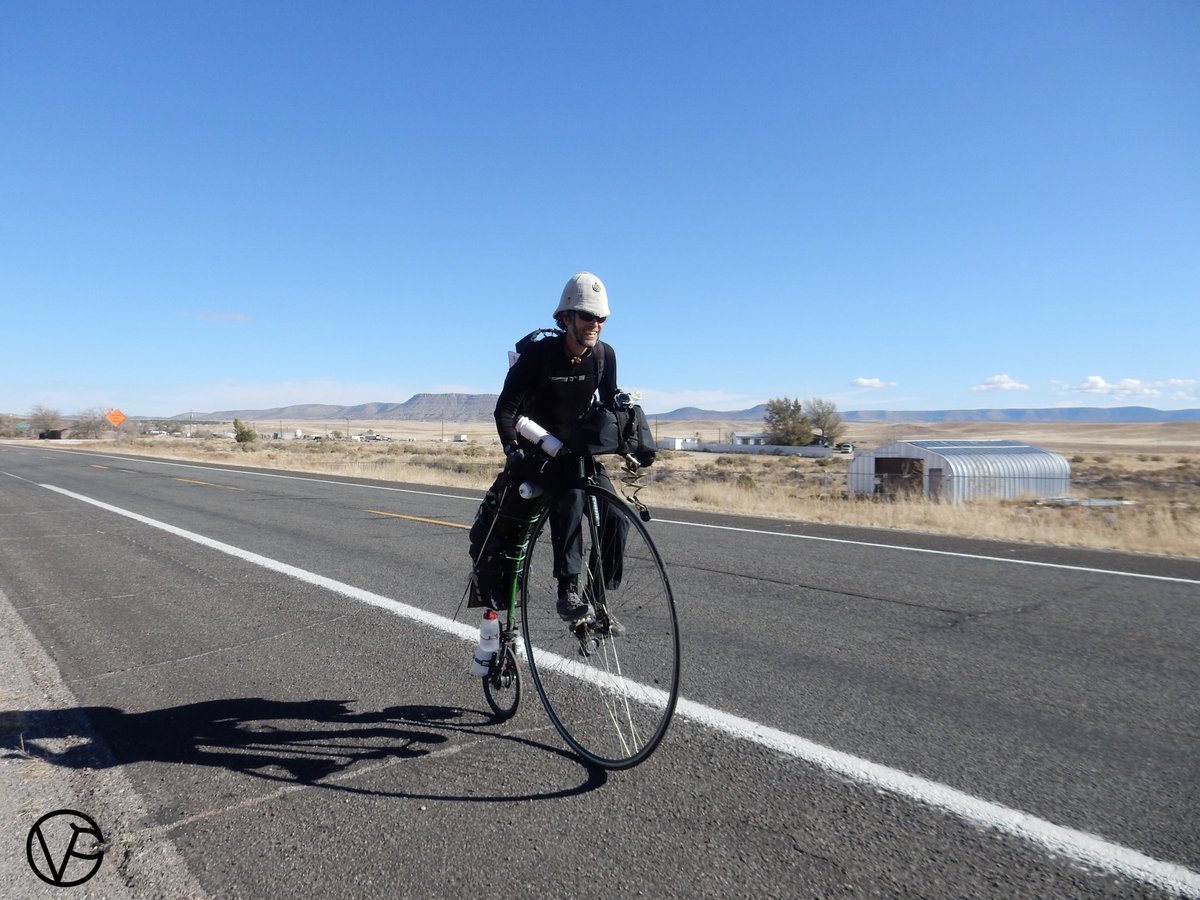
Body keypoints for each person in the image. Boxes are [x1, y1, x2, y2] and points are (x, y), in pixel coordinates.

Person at [493, 271, 621, 623]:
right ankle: (568, 590)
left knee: (615, 516)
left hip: (578, 451)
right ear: (566, 318)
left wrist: (630, 440)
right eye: (587, 317)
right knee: (571, 495)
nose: (595, 324)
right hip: (540, 451)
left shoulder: (603, 357)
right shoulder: (539, 357)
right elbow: (505, 411)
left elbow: (610, 406)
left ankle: (597, 600)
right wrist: (513, 450)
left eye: (601, 318)